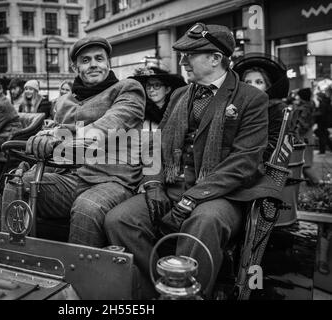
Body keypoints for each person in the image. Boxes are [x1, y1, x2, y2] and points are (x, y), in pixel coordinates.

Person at [105, 23, 272, 299]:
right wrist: (154, 184)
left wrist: (191, 199)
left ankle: (187, 295)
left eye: (190, 54)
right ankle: (163, 290)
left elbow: (244, 162)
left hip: (221, 194)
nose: (182, 61)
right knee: (118, 220)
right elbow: (157, 146)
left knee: (204, 223)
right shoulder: (180, 95)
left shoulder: (251, 98)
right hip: (171, 186)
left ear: (215, 59)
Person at [1, 36, 145, 248]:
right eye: (85, 60)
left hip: (111, 179)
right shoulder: (65, 101)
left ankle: (79, 277)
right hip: (67, 176)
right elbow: (53, 132)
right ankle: (11, 253)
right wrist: (42, 139)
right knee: (17, 183)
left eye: (99, 58)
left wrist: (60, 138)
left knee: (87, 207)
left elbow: (110, 124)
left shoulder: (128, 89)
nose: (94, 64)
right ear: (75, 67)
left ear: (108, 63)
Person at [234, 54, 289, 162]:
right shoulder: (238, 107)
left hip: (260, 164)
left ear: (267, 86)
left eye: (259, 82)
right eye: (247, 82)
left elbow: (275, 144)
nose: (252, 86)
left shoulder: (277, 108)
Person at [131, 66, 186, 131]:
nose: (151, 90)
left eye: (156, 85)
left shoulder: (177, 112)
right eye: (148, 86)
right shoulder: (140, 113)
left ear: (167, 90)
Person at [291, 88, 320, 185]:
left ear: (301, 97)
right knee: (304, 163)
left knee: (305, 164)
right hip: (308, 137)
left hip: (304, 138)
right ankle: (311, 183)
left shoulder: (303, 109)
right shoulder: (311, 105)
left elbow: (302, 125)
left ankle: (317, 183)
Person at [314, 85, 332, 154]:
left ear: (320, 97)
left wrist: (314, 114)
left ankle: (322, 151)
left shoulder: (323, 104)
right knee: (325, 136)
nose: (317, 98)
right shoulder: (325, 102)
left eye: (318, 97)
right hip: (324, 122)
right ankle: (325, 149)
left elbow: (321, 113)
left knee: (322, 136)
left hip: (323, 123)